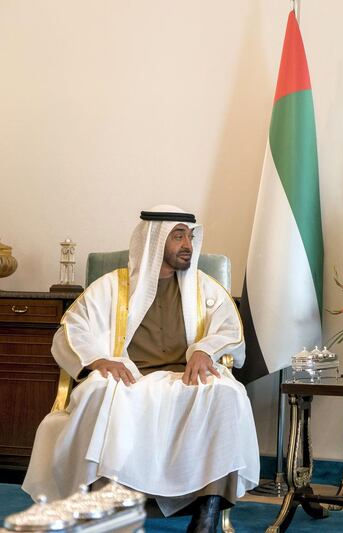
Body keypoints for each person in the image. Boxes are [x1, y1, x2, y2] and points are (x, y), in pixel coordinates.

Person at [23, 206, 260, 533]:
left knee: (226, 393)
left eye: (190, 236)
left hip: (185, 381)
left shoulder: (204, 289)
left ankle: (206, 514)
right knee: (103, 391)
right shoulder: (112, 287)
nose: (188, 244)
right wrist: (97, 360)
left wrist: (205, 350)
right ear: (154, 240)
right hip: (129, 378)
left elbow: (230, 331)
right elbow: (71, 330)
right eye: (178, 236)